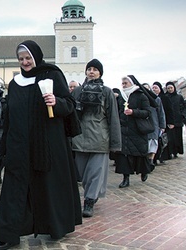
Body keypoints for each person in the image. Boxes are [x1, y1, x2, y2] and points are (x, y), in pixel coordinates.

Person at [0, 40, 82, 250]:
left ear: (36, 57)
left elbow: (69, 105)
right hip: (18, 145)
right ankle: (9, 234)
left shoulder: (52, 75)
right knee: (13, 189)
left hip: (47, 144)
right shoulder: (14, 84)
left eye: (28, 58)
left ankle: (55, 226)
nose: (25, 62)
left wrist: (56, 102)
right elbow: (9, 117)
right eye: (21, 59)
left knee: (48, 187)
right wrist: (4, 147)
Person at [71, 59, 121, 217]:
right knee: (83, 174)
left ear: (100, 73)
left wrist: (115, 143)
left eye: (95, 69)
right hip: (79, 139)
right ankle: (91, 194)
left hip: (100, 138)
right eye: (89, 69)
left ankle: (89, 201)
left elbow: (113, 118)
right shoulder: (77, 91)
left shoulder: (107, 92)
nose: (91, 71)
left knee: (95, 172)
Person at [115, 76, 153, 188]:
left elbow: (147, 112)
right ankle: (125, 178)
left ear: (131, 83)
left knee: (140, 153)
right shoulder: (121, 97)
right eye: (122, 83)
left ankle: (144, 171)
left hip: (137, 130)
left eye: (126, 83)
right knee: (124, 155)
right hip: (123, 129)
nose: (124, 85)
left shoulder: (141, 95)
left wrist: (133, 112)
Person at [142, 83, 166, 170]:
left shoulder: (157, 99)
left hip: (154, 124)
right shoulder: (138, 98)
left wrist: (162, 125)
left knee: (153, 144)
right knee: (145, 145)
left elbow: (161, 113)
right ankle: (146, 162)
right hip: (143, 125)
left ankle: (150, 161)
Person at [151, 82, 174, 165]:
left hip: (164, 121)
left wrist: (170, 122)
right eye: (153, 88)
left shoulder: (164, 98)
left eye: (156, 88)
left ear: (160, 89)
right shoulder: (151, 98)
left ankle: (162, 157)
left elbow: (169, 111)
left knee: (163, 140)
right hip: (155, 122)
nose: (154, 89)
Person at [165, 82, 185, 159]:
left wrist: (182, 115)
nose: (170, 90)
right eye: (168, 88)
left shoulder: (179, 97)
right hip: (169, 120)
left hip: (178, 120)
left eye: (171, 88)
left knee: (177, 137)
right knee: (170, 138)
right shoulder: (165, 97)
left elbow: (184, 107)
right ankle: (170, 152)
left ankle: (176, 151)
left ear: (174, 88)